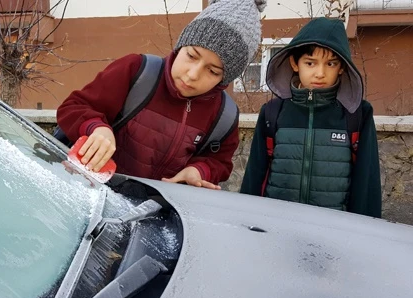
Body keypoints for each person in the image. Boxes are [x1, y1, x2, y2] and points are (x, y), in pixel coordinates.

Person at [55, 0, 267, 189]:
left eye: (212, 71)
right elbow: (73, 107)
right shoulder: (137, 71)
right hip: (94, 191)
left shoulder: (225, 115)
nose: (192, 75)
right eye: (192, 55)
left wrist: (199, 171)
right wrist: (97, 127)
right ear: (180, 45)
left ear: (225, 79)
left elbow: (220, 162)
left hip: (158, 214)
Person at [240, 17, 382, 217]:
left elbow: (367, 186)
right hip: (277, 226)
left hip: (333, 231)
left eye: (331, 63)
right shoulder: (272, 112)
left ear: (342, 67)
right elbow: (254, 177)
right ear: (295, 63)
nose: (320, 73)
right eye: (310, 63)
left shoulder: (357, 115)